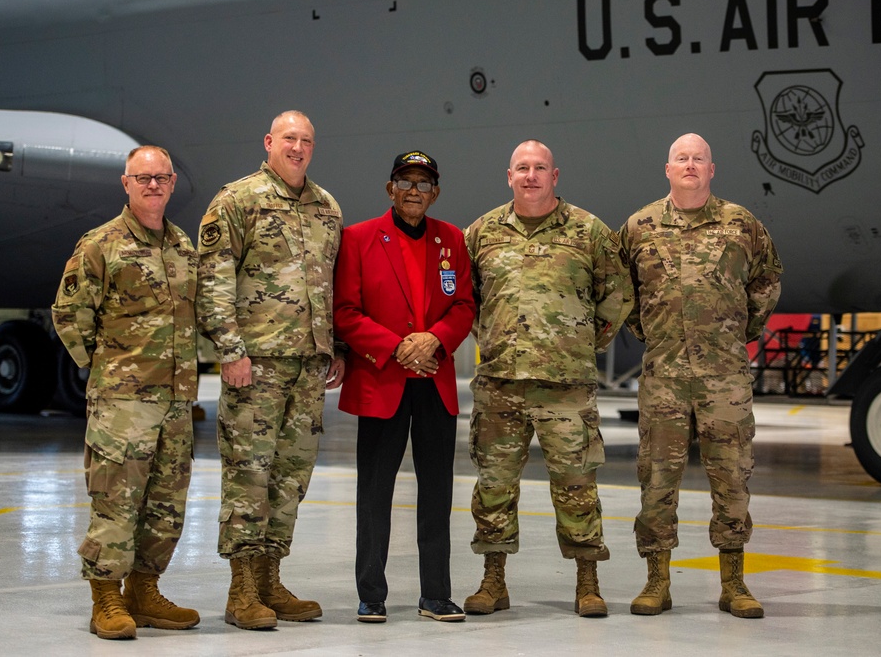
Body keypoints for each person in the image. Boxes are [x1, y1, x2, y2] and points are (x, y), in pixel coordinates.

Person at [462, 140, 633, 617]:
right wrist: (491, 335)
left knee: (577, 484)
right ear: (509, 175)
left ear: (555, 176)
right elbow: (465, 300)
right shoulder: (481, 233)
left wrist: (581, 341)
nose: (531, 175)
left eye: (540, 168)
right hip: (500, 382)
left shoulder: (589, 231)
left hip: (566, 386)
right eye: (522, 168)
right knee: (494, 484)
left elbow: (617, 295)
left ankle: (587, 583)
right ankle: (493, 581)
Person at [619, 133, 782, 619]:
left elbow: (766, 282)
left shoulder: (742, 224)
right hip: (664, 375)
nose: (690, 165)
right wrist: (651, 332)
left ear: (712, 169)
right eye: (681, 159)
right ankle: (656, 582)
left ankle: (734, 583)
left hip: (724, 378)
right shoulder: (639, 226)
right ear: (667, 169)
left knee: (731, 478)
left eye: (699, 159)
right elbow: (620, 290)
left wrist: (734, 334)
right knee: (657, 479)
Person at [196, 110, 344, 630]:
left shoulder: (327, 208)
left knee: (290, 478)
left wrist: (336, 347)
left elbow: (332, 285)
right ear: (269, 142)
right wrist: (231, 351)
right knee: (248, 475)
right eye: (289, 139)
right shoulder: (237, 201)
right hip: (254, 365)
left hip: (308, 367)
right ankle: (241, 590)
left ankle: (270, 578)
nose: (298, 147)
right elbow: (212, 281)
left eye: (306, 139)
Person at [52, 146, 199, 640]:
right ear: (126, 183)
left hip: (176, 401)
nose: (153, 185)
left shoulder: (182, 245)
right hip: (123, 400)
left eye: (161, 177)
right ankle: (106, 598)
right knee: (116, 498)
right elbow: (70, 313)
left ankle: (145, 591)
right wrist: (108, 369)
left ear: (172, 183)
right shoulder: (101, 243)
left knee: (165, 502)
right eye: (143, 178)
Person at [334, 151, 476, 623]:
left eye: (424, 182)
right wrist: (397, 347)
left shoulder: (452, 239)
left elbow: (464, 305)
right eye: (405, 181)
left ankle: (435, 593)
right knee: (375, 492)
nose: (414, 190)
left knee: (437, 491)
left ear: (435, 192)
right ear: (389, 188)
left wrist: (433, 340)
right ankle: (371, 593)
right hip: (383, 378)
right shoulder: (357, 238)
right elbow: (346, 312)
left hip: (434, 380)